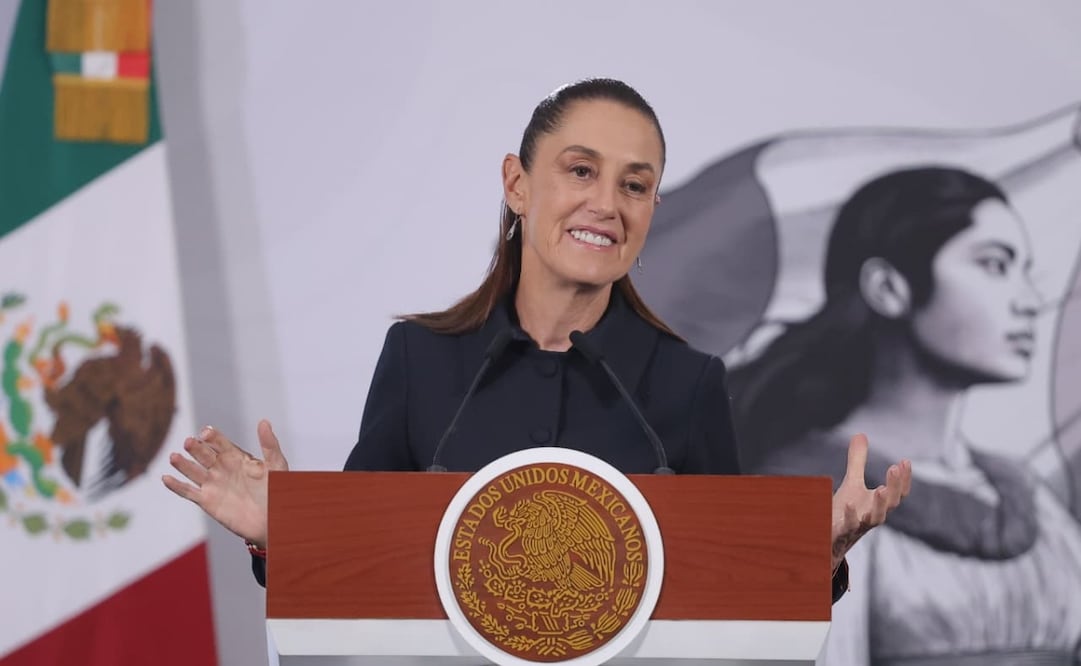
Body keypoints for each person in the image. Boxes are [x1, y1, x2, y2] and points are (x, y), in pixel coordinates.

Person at [161, 78, 911, 604]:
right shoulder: (419, 361)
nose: (606, 204)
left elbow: (730, 591)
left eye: (634, 185)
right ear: (518, 185)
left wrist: (819, 558)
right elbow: (364, 571)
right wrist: (282, 537)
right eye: (580, 170)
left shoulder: (689, 384)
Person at [729, 166, 1081, 663]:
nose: (1030, 301)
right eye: (995, 265)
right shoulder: (808, 495)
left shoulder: (1030, 497)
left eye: (1025, 270)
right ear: (888, 287)